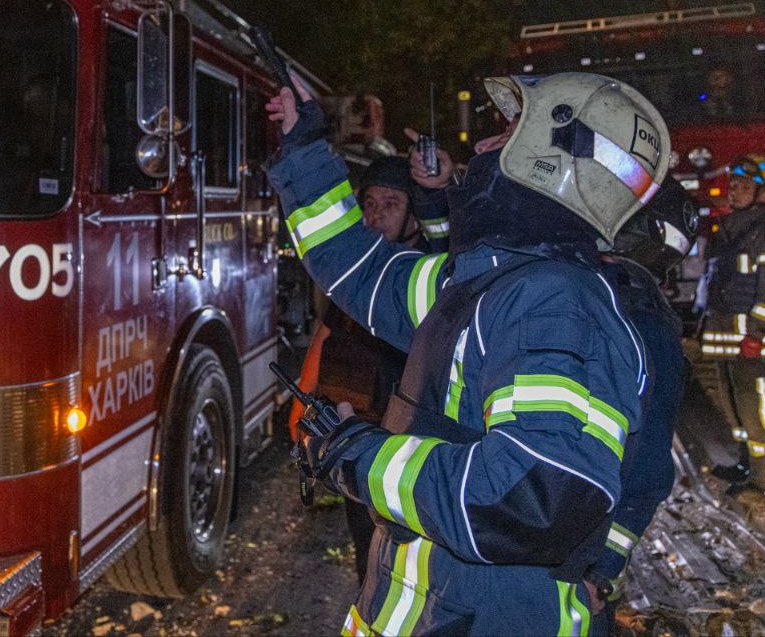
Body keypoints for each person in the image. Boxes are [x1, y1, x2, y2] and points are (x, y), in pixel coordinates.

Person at [266, 71, 669, 635]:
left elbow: (531, 497)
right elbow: (357, 269)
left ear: (550, 159)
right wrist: (307, 147)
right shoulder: (491, 281)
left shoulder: (552, 304)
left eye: (504, 134)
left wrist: (358, 456)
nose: (480, 147)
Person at [287, 150, 452, 582]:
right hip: (359, 435)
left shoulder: (426, 274)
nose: (375, 216)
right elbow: (327, 334)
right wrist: (300, 407)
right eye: (369, 204)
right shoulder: (360, 274)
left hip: (413, 447)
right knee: (370, 555)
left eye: (391, 205)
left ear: (414, 217)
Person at [584, 176, 698, 626]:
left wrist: (599, 573)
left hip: (568, 563)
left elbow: (648, 474)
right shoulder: (642, 315)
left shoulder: (632, 318)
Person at [699, 154, 765, 497]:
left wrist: (756, 333)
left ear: (763, 194)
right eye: (733, 186)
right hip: (728, 337)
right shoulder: (729, 231)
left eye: (744, 187)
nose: (734, 192)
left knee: (758, 410)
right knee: (735, 407)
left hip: (750, 339)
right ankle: (747, 465)